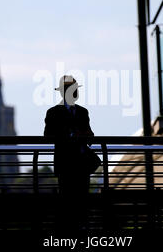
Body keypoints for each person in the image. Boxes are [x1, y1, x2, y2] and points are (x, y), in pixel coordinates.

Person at [44, 75, 95, 230]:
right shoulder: (53, 113)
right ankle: (70, 232)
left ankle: (79, 230)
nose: (75, 93)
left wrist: (84, 135)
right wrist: (70, 135)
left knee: (82, 202)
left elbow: (90, 135)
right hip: (66, 164)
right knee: (68, 201)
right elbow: (48, 136)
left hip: (81, 164)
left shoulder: (82, 112)